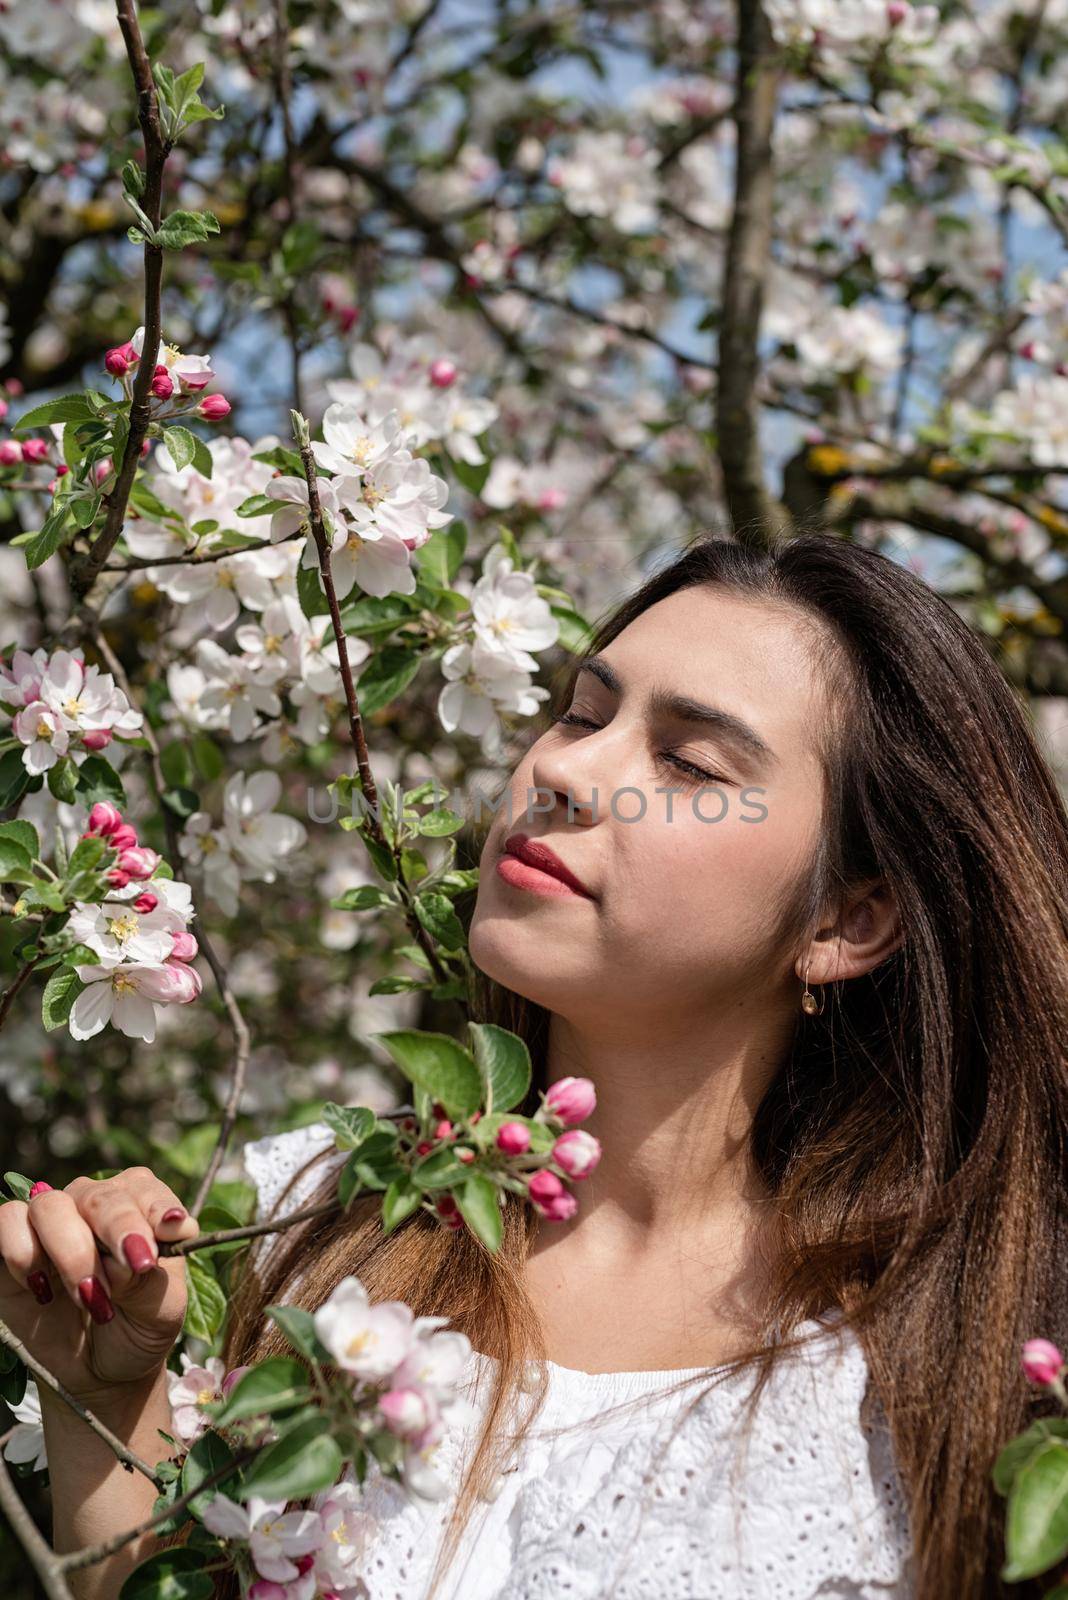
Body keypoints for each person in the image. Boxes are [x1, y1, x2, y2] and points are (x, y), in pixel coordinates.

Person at [6, 532, 1068, 1599]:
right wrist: (104, 1393)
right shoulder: (334, 1236)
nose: (563, 769)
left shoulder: (934, 1376)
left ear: (850, 915)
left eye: (690, 763)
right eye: (583, 710)